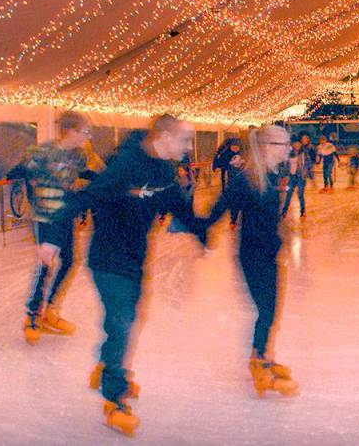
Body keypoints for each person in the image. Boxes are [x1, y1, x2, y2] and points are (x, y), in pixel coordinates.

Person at [51, 114, 201, 436]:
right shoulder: (126, 163)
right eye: (184, 140)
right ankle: (114, 398)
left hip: (135, 257)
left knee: (129, 317)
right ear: (163, 137)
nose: (188, 147)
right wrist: (51, 237)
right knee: (121, 321)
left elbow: (176, 203)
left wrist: (202, 230)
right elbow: (88, 196)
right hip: (107, 257)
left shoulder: (164, 168)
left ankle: (106, 366)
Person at [208, 125, 299, 398]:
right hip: (253, 255)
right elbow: (218, 210)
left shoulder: (270, 175)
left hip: (269, 253)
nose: (288, 149)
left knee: (272, 311)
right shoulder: (246, 179)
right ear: (265, 147)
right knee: (267, 310)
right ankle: (260, 362)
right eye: (282, 144)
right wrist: (199, 230)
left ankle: (262, 356)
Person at [17, 111, 95, 343]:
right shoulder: (43, 152)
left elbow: (82, 178)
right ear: (70, 131)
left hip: (64, 216)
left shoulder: (79, 156)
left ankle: (49, 310)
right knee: (45, 263)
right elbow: (23, 171)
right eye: (85, 132)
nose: (87, 137)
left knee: (70, 260)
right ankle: (32, 316)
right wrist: (36, 195)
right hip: (44, 218)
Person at [282, 138, 308, 221]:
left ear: (301, 145)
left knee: (300, 194)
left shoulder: (304, 153)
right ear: (293, 145)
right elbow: (286, 165)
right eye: (295, 144)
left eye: (298, 144)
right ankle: (284, 211)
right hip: (292, 176)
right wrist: (285, 175)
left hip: (301, 177)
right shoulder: (290, 154)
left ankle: (303, 211)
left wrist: (305, 171)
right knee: (289, 194)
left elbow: (308, 163)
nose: (297, 146)